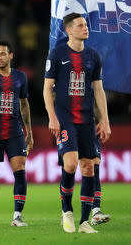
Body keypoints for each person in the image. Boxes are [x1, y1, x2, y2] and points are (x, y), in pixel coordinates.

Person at [43, 13, 111, 234]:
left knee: (89, 167)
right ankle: (67, 211)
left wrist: (105, 120)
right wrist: (52, 117)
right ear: (69, 30)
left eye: (85, 25)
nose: (85, 28)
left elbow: (98, 90)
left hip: (86, 120)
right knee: (71, 165)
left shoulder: (93, 56)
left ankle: (83, 222)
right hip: (65, 118)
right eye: (80, 25)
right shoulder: (58, 54)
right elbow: (46, 88)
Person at [0, 40, 33, 227]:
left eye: (2, 54)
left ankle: (17, 216)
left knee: (20, 171)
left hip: (15, 131)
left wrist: (29, 132)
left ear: (10, 56)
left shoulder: (20, 77)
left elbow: (24, 105)